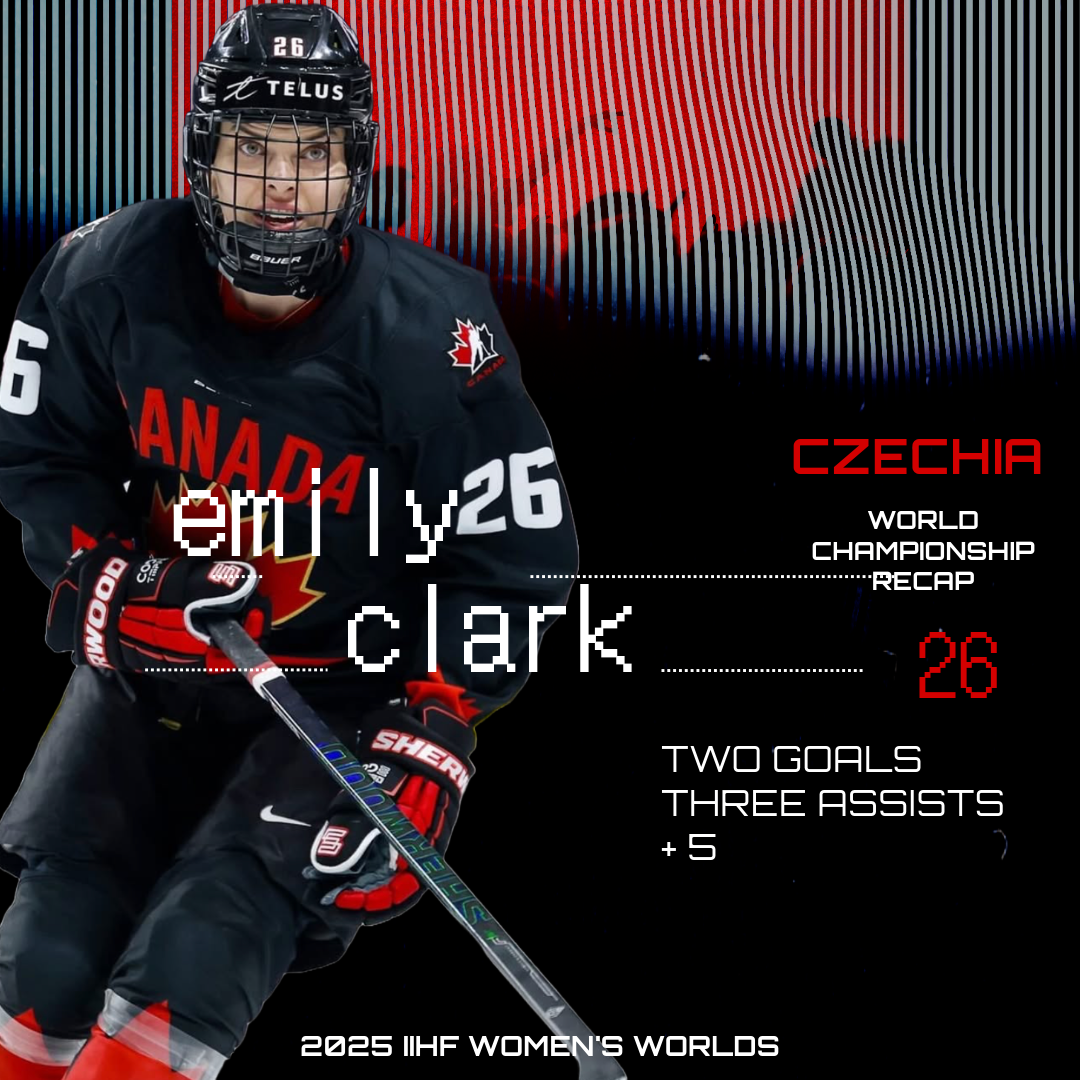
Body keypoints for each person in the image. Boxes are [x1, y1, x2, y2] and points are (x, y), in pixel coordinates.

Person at [0, 5, 577, 1077]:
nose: (278, 188)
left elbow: (514, 553)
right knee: (49, 951)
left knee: (196, 948)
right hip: (159, 663)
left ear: (356, 165)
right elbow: (45, 459)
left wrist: (439, 717)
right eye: (251, 149)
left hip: (338, 689)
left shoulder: (431, 331)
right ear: (198, 157)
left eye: (312, 156)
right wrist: (113, 584)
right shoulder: (99, 276)